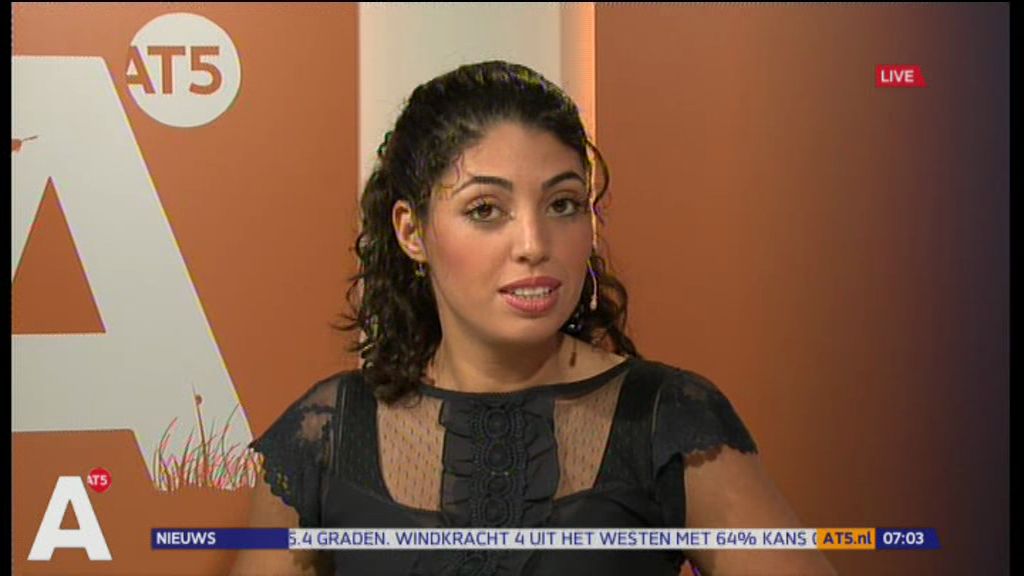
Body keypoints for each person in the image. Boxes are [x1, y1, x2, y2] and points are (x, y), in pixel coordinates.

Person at [231, 60, 837, 576]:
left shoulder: (667, 418)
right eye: (486, 209)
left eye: (563, 204)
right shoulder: (326, 435)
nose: (534, 243)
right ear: (412, 232)